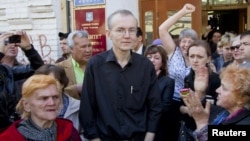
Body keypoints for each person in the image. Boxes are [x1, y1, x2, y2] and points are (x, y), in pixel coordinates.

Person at [79, 9, 162, 141]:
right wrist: (94, 137)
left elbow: (155, 105)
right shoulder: (96, 65)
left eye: (132, 30)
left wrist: (150, 136)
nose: (127, 35)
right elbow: (87, 107)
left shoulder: (145, 66)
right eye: (120, 30)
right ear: (109, 34)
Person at [0, 74, 82, 141]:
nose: (52, 103)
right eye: (44, 98)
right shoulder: (9, 138)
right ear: (26, 105)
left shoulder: (69, 131)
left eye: (55, 97)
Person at [159, 3, 198, 140]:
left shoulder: (197, 58)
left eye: (190, 42)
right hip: (171, 101)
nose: (186, 45)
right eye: (183, 41)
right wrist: (183, 12)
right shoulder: (173, 52)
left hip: (190, 104)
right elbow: (162, 29)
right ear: (179, 42)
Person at [183, 64, 250, 141]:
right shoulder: (222, 112)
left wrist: (202, 125)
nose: (217, 90)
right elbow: (199, 115)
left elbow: (202, 121)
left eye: (224, 88)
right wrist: (200, 91)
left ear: (241, 98)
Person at [0, 31, 44, 132]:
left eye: (14, 43)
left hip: (12, 127)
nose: (12, 46)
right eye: (6, 43)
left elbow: (39, 69)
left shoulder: (8, 72)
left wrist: (28, 49)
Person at [34, 64, 85, 140]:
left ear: (62, 84)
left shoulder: (78, 107)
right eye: (42, 82)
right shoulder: (32, 107)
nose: (46, 86)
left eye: (52, 82)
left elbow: (87, 134)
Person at [179, 40, 221, 134]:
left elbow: (220, 109)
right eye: (192, 56)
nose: (195, 60)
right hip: (188, 128)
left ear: (208, 59)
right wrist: (186, 109)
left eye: (200, 57)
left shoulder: (216, 80)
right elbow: (181, 105)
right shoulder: (187, 78)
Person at [144, 44, 175, 141]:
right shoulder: (138, 79)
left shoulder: (168, 81)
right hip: (139, 123)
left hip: (158, 125)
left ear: (163, 62)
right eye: (149, 57)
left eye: (156, 58)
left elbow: (164, 107)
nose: (152, 60)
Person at [56, 30, 93, 100]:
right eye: (83, 47)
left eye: (89, 46)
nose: (88, 50)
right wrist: (76, 89)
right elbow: (55, 93)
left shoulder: (99, 66)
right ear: (72, 49)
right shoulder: (60, 68)